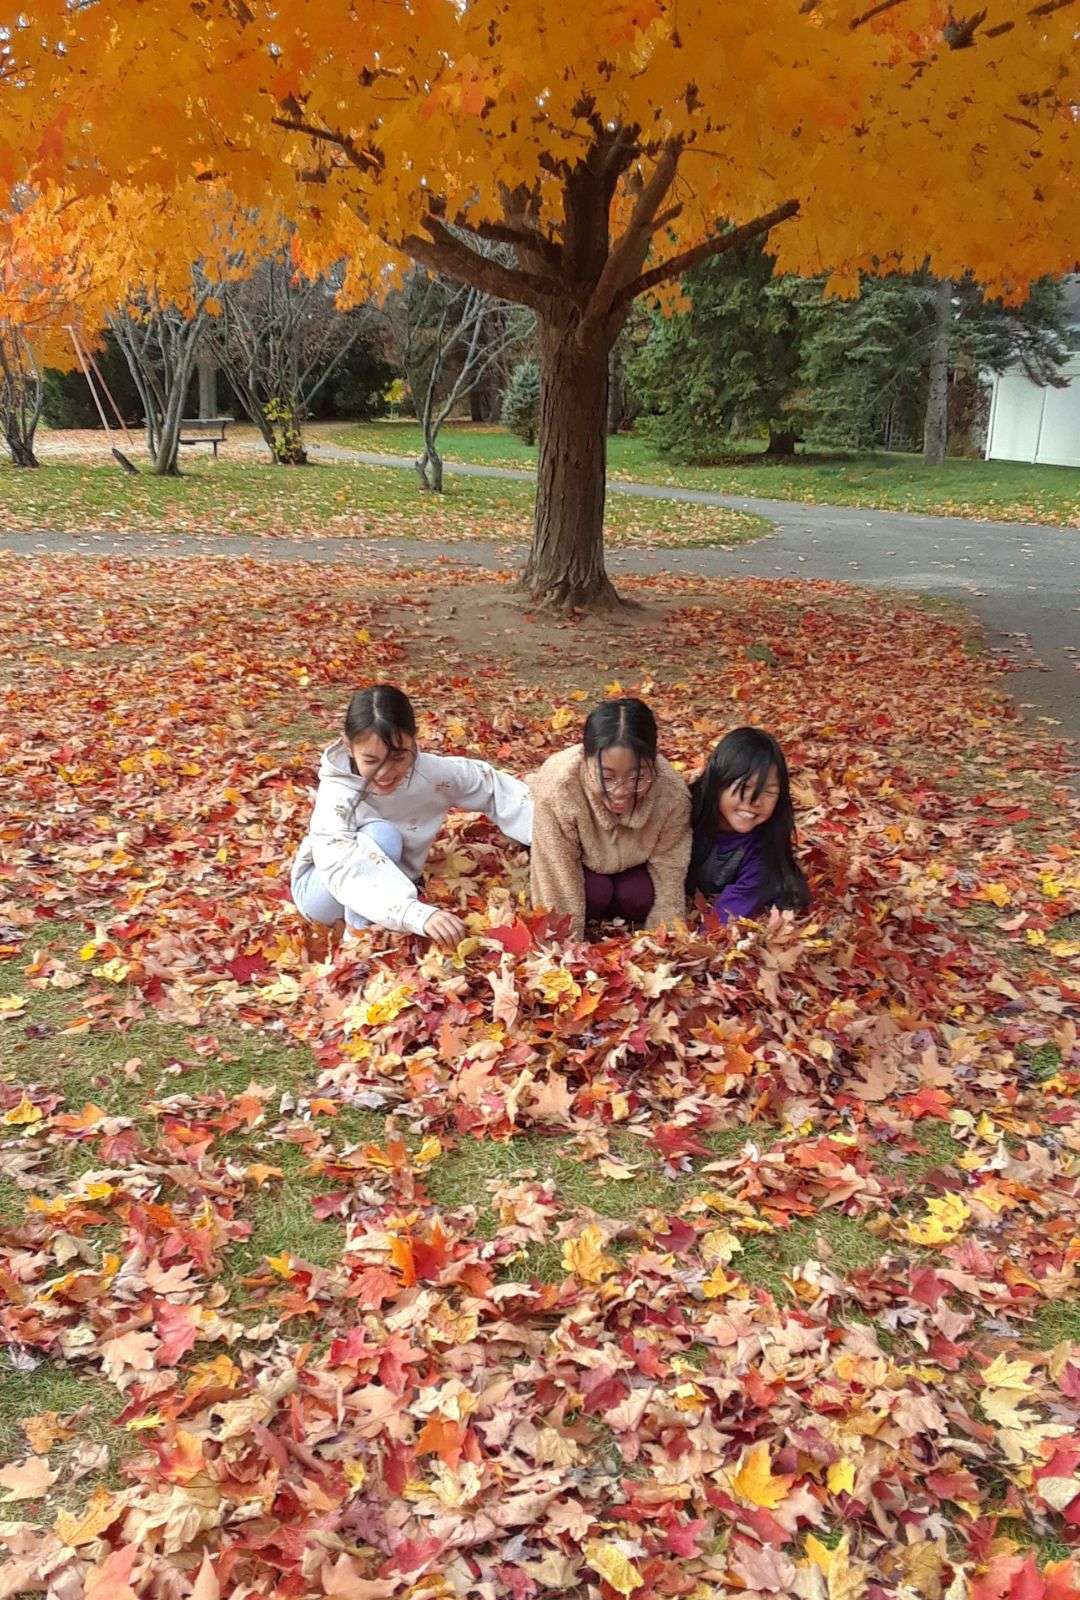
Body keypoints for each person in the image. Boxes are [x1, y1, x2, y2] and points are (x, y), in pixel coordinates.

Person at [291, 684, 532, 948]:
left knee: (387, 837)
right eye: (371, 760)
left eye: (397, 757)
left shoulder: (430, 774)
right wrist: (415, 914)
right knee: (383, 834)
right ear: (349, 747)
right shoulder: (337, 794)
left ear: (413, 741)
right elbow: (342, 865)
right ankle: (360, 940)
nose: (385, 773)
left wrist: (548, 832)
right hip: (325, 894)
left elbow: (487, 784)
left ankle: (383, 921)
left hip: (394, 893)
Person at [529, 697, 692, 938]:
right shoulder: (559, 790)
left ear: (653, 764)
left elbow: (671, 867)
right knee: (596, 892)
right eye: (606, 778)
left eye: (636, 778)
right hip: (580, 864)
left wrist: (666, 939)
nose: (620, 791)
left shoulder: (672, 794)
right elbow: (556, 872)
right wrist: (564, 949)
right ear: (586, 763)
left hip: (632, 866)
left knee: (637, 896)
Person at [686, 726, 810, 923]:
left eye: (769, 792)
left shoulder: (764, 847)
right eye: (744, 787)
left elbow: (732, 908)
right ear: (718, 783)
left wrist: (694, 944)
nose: (755, 801)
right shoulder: (686, 813)